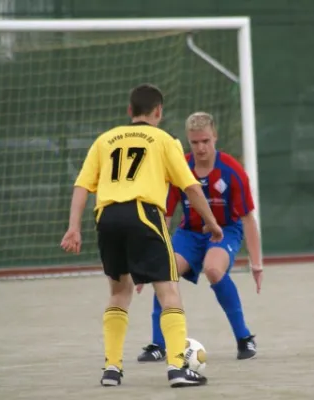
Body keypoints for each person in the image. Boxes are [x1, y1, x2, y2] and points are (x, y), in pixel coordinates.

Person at [60, 85, 223, 388]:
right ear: (158, 112)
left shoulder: (104, 140)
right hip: (143, 214)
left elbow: (82, 185)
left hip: (106, 218)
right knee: (169, 291)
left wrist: (74, 228)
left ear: (129, 110)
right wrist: (212, 222)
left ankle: (111, 369)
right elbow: (190, 187)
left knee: (119, 293)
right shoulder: (164, 140)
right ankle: (177, 367)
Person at [136, 111, 263, 363]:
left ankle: (244, 338)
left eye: (205, 141)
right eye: (195, 142)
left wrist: (256, 264)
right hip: (190, 233)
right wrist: (147, 263)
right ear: (188, 141)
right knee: (164, 271)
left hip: (225, 230)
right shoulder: (179, 168)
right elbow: (166, 215)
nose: (201, 147)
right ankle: (158, 345)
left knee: (214, 270)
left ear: (215, 137)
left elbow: (248, 218)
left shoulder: (232, 171)